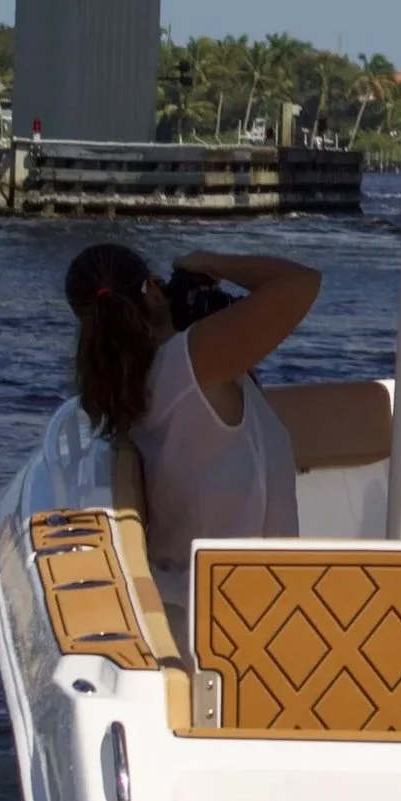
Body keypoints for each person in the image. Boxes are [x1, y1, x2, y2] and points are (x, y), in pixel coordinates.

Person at [63, 243, 320, 623]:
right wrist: (209, 261)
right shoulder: (191, 364)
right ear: (152, 290)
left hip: (196, 606)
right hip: (242, 616)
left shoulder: (131, 386)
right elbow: (301, 283)